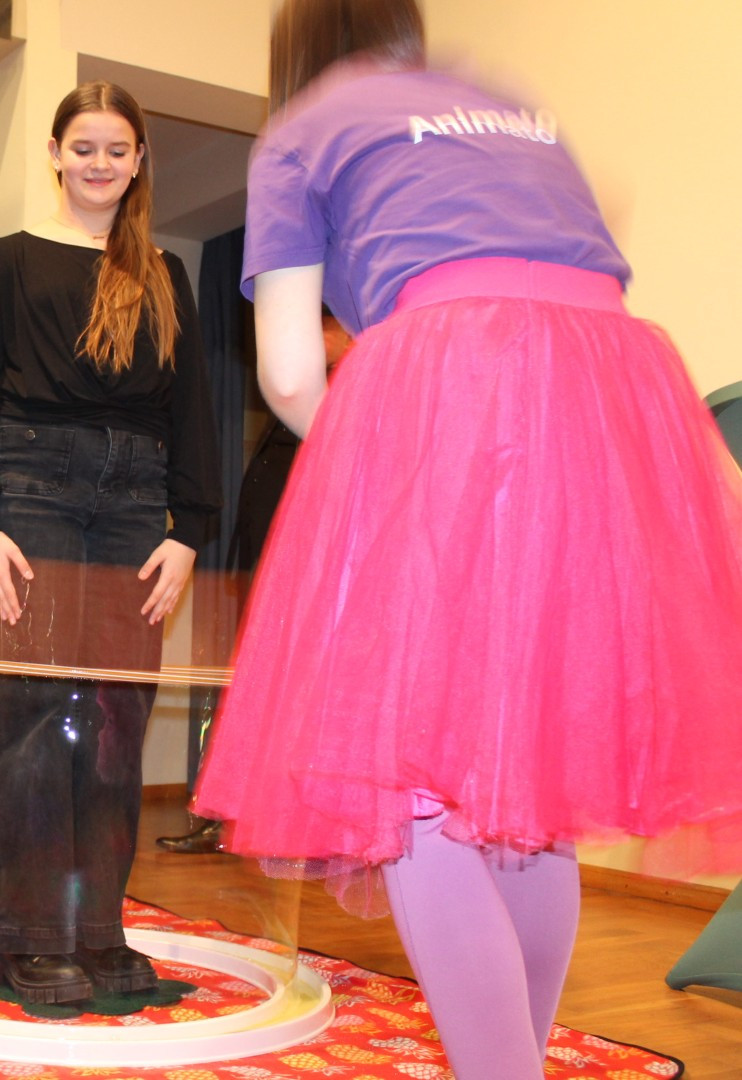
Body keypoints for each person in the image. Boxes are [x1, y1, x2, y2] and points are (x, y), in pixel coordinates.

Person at [190, 2, 742, 1076]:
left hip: (455, 380)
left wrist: (374, 467)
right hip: (606, 400)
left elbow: (290, 375)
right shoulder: (506, 104)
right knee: (525, 791)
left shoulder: (301, 129)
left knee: (415, 782)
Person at [0, 81, 221, 1005]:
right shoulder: (6, 263)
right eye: (84, 146)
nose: (100, 163)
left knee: (114, 723)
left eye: (118, 149)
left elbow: (192, 406)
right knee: (32, 716)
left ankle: (98, 934)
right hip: (31, 495)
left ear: (139, 162)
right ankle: (27, 942)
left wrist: (189, 530)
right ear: (56, 154)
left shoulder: (165, 274)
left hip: (139, 508)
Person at [158, 310, 350, 854]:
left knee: (290, 696)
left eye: (322, 328)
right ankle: (226, 815)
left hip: (306, 578)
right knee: (243, 687)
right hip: (266, 565)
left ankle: (270, 823)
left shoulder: (350, 395)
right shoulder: (308, 392)